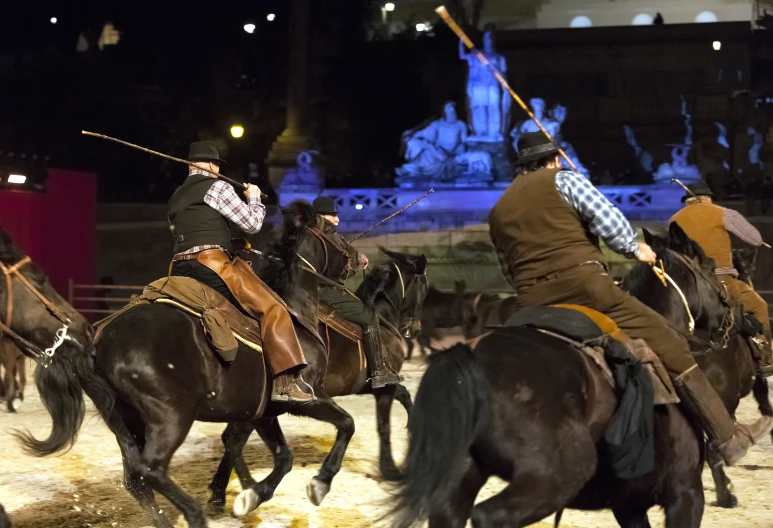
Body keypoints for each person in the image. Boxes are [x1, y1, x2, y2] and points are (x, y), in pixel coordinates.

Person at [488, 132, 773, 466]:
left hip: (530, 300)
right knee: (670, 340)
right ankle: (727, 434)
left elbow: (507, 268)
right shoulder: (564, 178)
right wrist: (633, 247)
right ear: (553, 160)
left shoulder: (498, 209)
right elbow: (607, 217)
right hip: (587, 287)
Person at [167, 140, 313, 403]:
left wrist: (227, 241)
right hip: (211, 265)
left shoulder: (176, 196)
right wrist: (254, 198)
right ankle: (285, 383)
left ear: (190, 166)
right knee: (273, 308)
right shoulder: (217, 186)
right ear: (213, 165)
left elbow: (194, 232)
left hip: (178, 268)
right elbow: (253, 224)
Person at [670, 181, 772, 374]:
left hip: (688, 283)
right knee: (759, 307)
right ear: (708, 198)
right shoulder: (723, 213)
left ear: (688, 201)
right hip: (721, 280)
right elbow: (753, 238)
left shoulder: (673, 219)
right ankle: (764, 357)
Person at [311, 196, 401, 388]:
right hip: (323, 291)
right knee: (369, 316)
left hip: (325, 289)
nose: (337, 219)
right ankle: (379, 371)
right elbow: (334, 270)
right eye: (332, 215)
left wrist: (356, 258)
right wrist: (353, 266)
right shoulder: (320, 237)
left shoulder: (328, 236)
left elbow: (346, 256)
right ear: (320, 217)